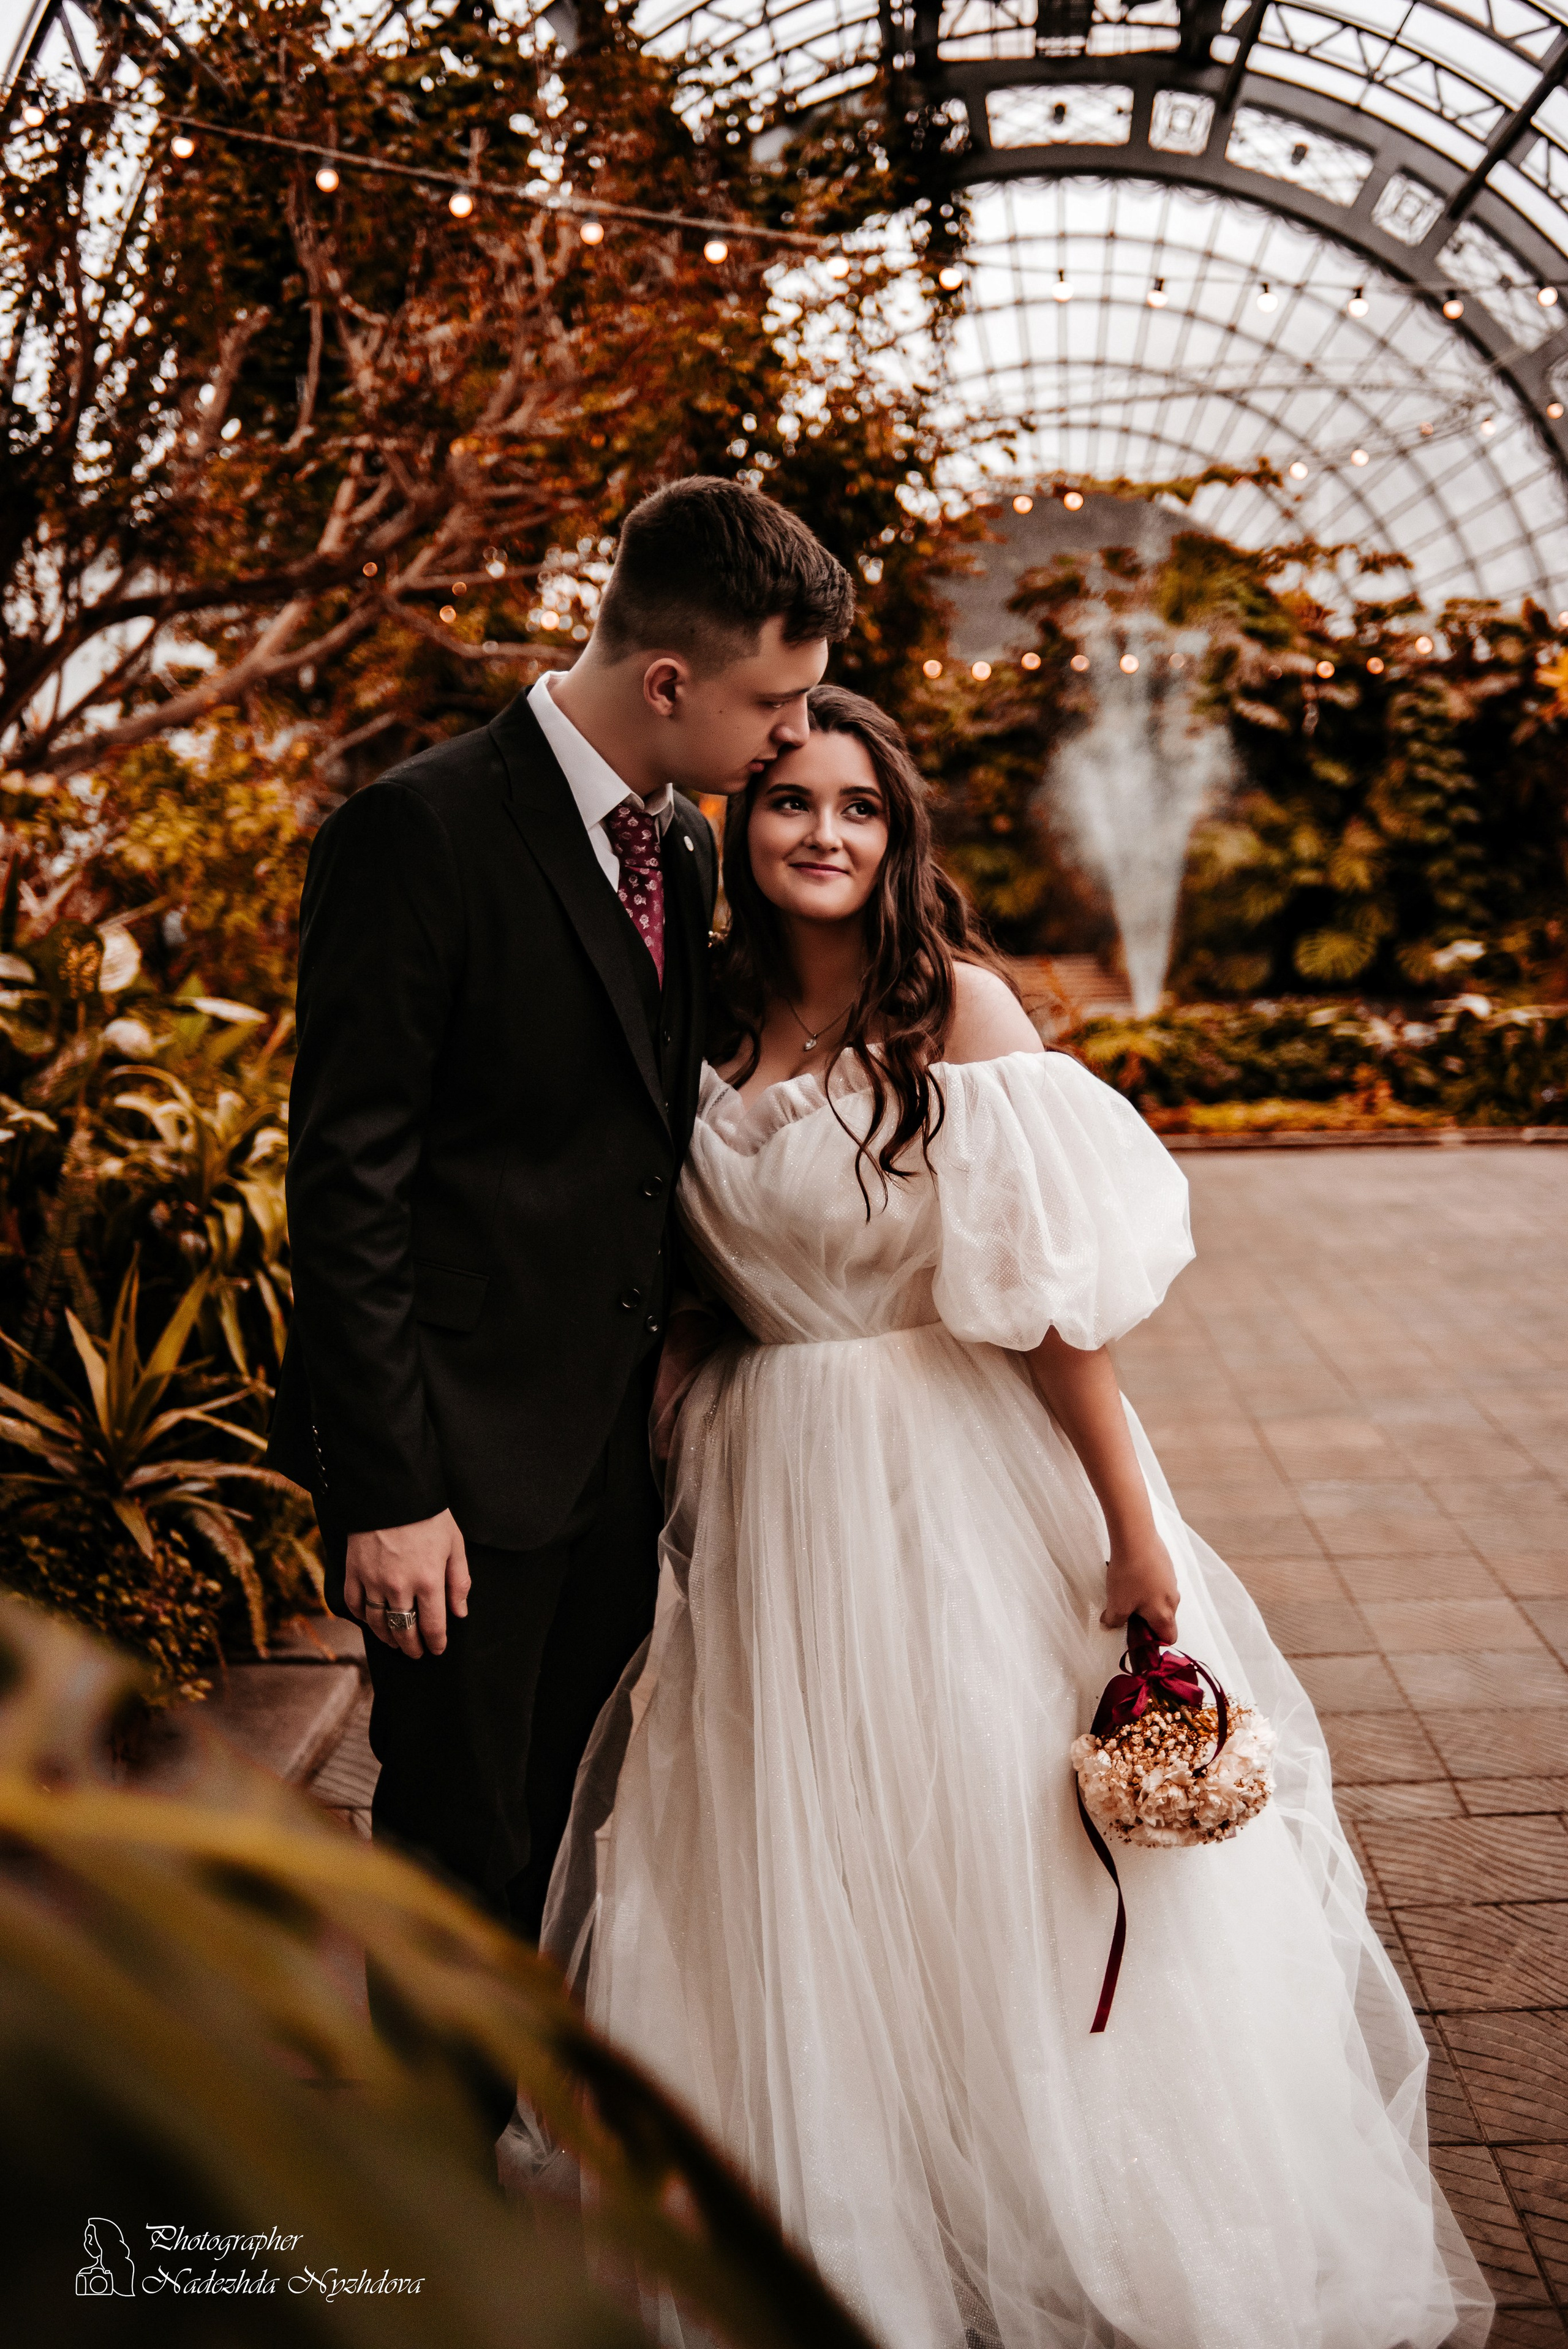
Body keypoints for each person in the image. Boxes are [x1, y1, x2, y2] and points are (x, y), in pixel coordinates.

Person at [537, 684, 1491, 2349]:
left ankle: (1043, 2212)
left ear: (900, 838)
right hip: (766, 1491)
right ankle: (831, 2218)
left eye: (859, 807)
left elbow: (1060, 1315)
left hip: (948, 1475)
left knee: (983, 1845)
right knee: (783, 1845)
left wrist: (1136, 1531)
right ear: (734, 830)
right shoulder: (691, 1013)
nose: (822, 833)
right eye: (789, 803)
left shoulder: (958, 1017)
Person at [268, 479, 854, 1956]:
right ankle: (423, 2175)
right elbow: (346, 1191)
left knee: (565, 1833)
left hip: (614, 1468)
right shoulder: (415, 833)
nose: (792, 735)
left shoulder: (688, 844)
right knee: (455, 1855)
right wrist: (388, 1494)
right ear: (667, 680)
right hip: (454, 1484)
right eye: (774, 703)